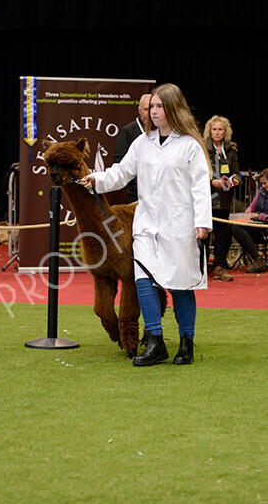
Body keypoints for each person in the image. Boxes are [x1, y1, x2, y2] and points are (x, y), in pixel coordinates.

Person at [80, 83, 212, 366]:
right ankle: (155, 342)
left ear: (174, 109)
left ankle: (186, 342)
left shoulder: (190, 145)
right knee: (144, 281)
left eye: (159, 106)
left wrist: (202, 221)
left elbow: (201, 187)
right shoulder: (142, 143)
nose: (153, 111)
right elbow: (121, 172)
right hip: (147, 226)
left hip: (180, 226)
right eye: (151, 106)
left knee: (181, 285)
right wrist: (96, 179)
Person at [231, 166, 268, 274]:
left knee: (236, 229)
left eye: (264, 183)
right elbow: (251, 207)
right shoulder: (262, 191)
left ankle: (258, 260)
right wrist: (245, 216)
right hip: (257, 225)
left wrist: (259, 216)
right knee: (231, 225)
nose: (262, 186)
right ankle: (220, 262)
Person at [203, 115, 240, 282]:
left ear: (226, 132)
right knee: (204, 234)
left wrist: (235, 180)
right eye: (214, 129)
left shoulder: (231, 150)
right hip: (206, 198)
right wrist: (213, 182)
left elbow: (236, 171)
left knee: (222, 236)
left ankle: (219, 267)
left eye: (220, 129)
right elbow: (197, 173)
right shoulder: (202, 148)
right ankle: (200, 268)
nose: (217, 133)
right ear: (209, 131)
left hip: (224, 199)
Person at [112, 93, 151, 203]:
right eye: (145, 109)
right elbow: (119, 161)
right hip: (135, 192)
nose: (149, 113)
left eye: (151, 109)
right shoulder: (128, 131)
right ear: (139, 110)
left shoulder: (160, 131)